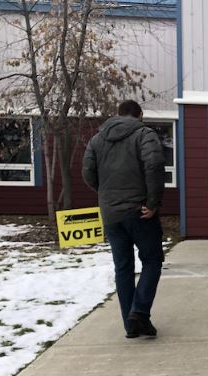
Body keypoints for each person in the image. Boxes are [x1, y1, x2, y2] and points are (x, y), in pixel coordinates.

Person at [83, 100, 165, 339]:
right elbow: (155, 165)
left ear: (117, 115)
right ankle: (139, 312)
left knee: (123, 268)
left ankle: (132, 325)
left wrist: (106, 195)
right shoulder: (143, 134)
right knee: (152, 260)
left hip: (111, 215)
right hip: (139, 211)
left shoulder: (97, 140)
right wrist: (152, 203)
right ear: (140, 114)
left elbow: (87, 172)